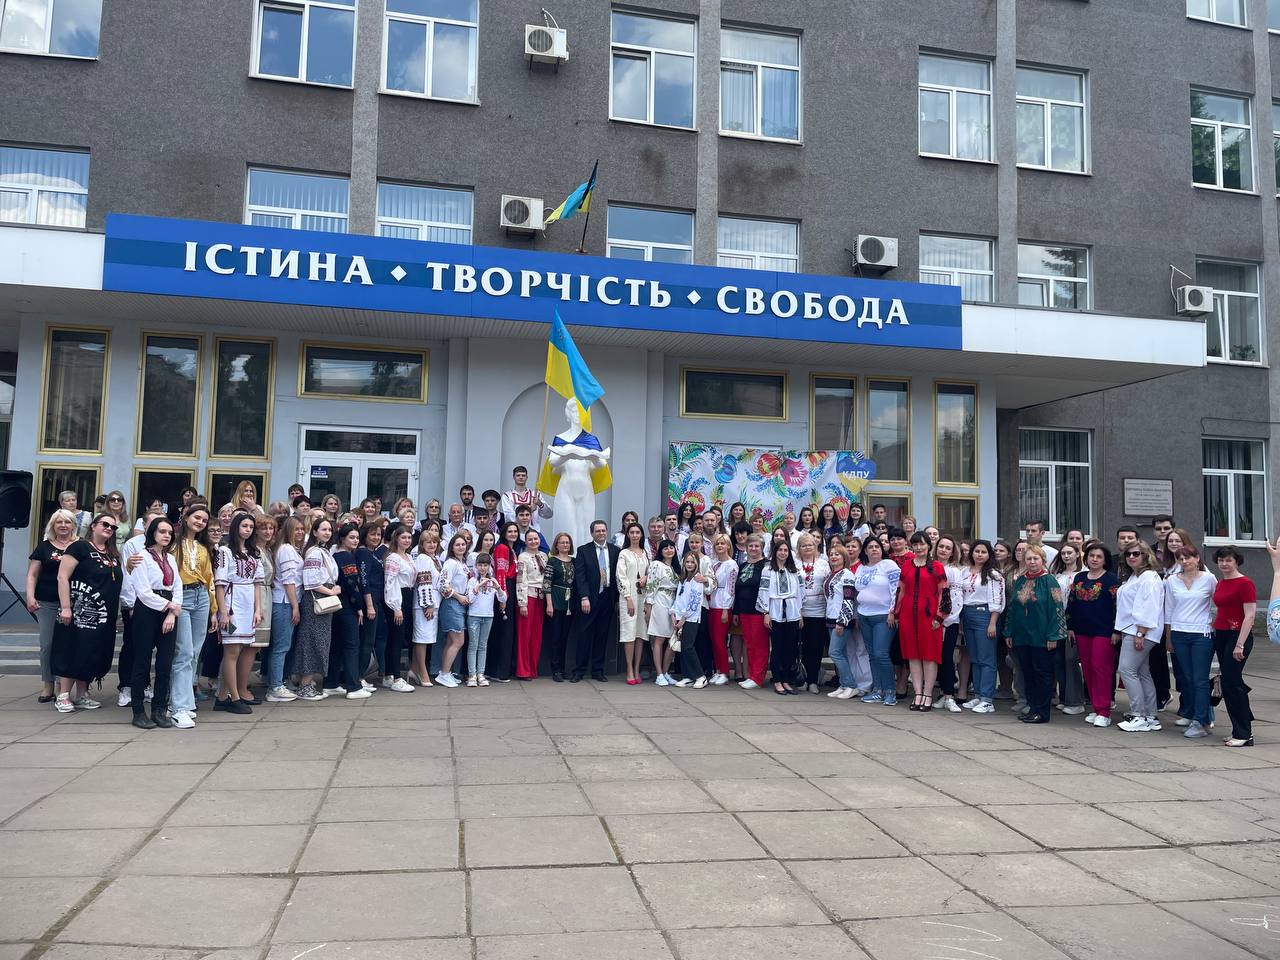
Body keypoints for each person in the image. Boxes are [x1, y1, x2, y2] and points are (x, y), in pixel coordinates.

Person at [50, 514, 122, 713]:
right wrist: (66, 607)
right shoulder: (79, 547)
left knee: (91, 652)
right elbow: (62, 576)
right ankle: (63, 695)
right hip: (79, 611)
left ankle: (82, 694)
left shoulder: (112, 553)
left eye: (113, 527)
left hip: (103, 615)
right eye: (105, 524)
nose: (109, 528)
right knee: (72, 649)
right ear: (93, 526)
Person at [125, 517, 183, 729]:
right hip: (147, 610)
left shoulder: (171, 558)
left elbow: (177, 587)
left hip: (168, 611)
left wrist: (172, 613)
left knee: (165, 663)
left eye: (169, 532)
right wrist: (169, 605)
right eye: (162, 531)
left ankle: (159, 709)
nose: (166, 535)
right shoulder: (141, 557)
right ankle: (138, 711)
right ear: (153, 533)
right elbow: (143, 592)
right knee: (142, 661)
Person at [1003, 545, 1066, 724]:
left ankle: (1042, 711)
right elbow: (1013, 608)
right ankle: (1032, 707)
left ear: (1043, 560)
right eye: (1029, 559)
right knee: (1027, 673)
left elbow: (1057, 608)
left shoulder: (1050, 581)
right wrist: (1009, 631)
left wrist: (1053, 635)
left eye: (1035, 558)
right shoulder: (1020, 581)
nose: (1032, 562)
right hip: (1022, 635)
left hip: (1042, 636)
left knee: (1042, 674)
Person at [1164, 544, 1216, 739]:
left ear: (1197, 558)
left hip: (1202, 633)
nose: (1185, 561)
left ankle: (1200, 720)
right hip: (1179, 633)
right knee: (1187, 678)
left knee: (1200, 679)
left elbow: (1219, 603)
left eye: (1188, 557)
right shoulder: (1172, 581)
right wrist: (1169, 637)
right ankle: (1199, 716)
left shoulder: (1209, 579)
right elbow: (1168, 610)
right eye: (1181, 558)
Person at [214, 512, 264, 714]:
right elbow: (219, 583)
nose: (248, 530)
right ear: (236, 527)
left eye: (251, 527)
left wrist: (258, 609)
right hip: (232, 602)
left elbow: (257, 583)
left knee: (241, 648)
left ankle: (221, 697)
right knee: (232, 651)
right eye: (244, 526)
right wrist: (223, 611)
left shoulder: (253, 552)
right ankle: (234, 698)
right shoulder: (225, 551)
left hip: (247, 603)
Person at [27, 509, 78, 704]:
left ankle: (61, 686)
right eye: (59, 522)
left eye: (67, 522)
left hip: (73, 603)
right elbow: (32, 574)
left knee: (66, 645)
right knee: (47, 644)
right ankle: (48, 684)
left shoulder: (80, 546)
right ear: (53, 525)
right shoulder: (44, 547)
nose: (63, 525)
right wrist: (30, 596)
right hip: (46, 602)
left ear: (73, 525)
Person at [895, 532, 949, 711]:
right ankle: (917, 693)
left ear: (928, 546)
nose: (918, 547)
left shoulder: (937, 567)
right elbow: (901, 590)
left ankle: (927, 693)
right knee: (913, 654)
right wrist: (896, 613)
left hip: (929, 614)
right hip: (908, 614)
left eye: (922, 544)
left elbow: (944, 592)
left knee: (929, 655)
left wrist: (940, 616)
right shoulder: (907, 565)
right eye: (915, 544)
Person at [1114, 542, 1165, 733]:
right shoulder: (1135, 576)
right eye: (1128, 554)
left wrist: (1140, 633)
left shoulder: (1149, 577)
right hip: (1132, 629)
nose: (1132, 557)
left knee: (1126, 670)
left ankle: (1138, 715)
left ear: (1146, 555)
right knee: (1142, 673)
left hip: (1140, 630)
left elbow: (1149, 606)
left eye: (1136, 553)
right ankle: (1150, 716)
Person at [1067, 541, 1120, 727]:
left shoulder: (1111, 579)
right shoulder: (1079, 577)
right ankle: (1096, 708)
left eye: (1099, 557)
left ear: (1105, 560)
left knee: (1100, 668)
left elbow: (1117, 607)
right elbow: (1071, 603)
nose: (1095, 559)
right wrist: (1070, 626)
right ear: (1086, 558)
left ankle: (1104, 711)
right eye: (1091, 556)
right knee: (1088, 669)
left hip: (1104, 631)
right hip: (1082, 630)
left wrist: (1116, 630)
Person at [1213, 546, 1257, 747]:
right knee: (1231, 682)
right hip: (1221, 634)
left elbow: (1250, 615)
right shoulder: (1221, 582)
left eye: (1228, 560)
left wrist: (1239, 644)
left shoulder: (1245, 583)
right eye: (1221, 560)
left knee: (1231, 683)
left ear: (1236, 561)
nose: (1224, 564)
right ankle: (1242, 726)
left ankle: (1244, 733)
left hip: (1238, 635)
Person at [958, 540, 1005, 714]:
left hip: (984, 614)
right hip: (967, 614)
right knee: (975, 658)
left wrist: (992, 623)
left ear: (989, 555)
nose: (979, 555)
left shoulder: (993, 574)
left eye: (983, 552)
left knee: (986, 658)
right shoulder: (964, 572)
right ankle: (978, 694)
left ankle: (987, 699)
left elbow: (997, 600)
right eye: (977, 551)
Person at [296, 518, 340, 701]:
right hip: (317, 599)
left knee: (319, 641)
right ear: (314, 532)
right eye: (323, 529)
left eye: (329, 530)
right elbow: (311, 581)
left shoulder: (324, 551)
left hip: (324, 598)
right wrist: (331, 591)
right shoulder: (314, 553)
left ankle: (308, 682)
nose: (327, 533)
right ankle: (305, 685)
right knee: (312, 640)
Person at [854, 536, 901, 705]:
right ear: (865, 551)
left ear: (882, 550)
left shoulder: (889, 565)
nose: (874, 549)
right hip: (864, 615)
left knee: (881, 654)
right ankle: (877, 690)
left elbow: (897, 590)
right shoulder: (861, 568)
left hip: (884, 616)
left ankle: (890, 691)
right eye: (870, 547)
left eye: (877, 546)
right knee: (872, 655)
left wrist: (893, 612)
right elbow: (858, 592)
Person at [571, 520, 619, 683]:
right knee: (584, 635)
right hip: (590, 599)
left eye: (603, 530)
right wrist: (584, 597)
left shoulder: (615, 550)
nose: (601, 533)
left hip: (607, 598)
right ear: (592, 533)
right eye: (597, 531)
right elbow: (580, 576)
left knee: (602, 636)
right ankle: (579, 671)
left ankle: (598, 671)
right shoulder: (583, 550)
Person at [266, 516, 304, 702]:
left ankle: (278, 681)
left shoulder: (290, 549)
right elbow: (289, 580)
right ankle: (275, 687)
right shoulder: (287, 550)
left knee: (282, 646)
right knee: (281, 646)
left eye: (302, 529)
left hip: (286, 601)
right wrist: (295, 606)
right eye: (296, 529)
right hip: (284, 602)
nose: (300, 532)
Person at [759, 538, 801, 695]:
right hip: (775, 610)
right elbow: (763, 591)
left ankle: (786, 680)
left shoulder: (794, 570)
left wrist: (800, 613)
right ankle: (777, 680)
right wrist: (766, 612)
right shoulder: (768, 570)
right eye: (780, 550)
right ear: (775, 552)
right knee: (777, 647)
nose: (783, 553)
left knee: (790, 648)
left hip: (792, 611)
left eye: (785, 550)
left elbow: (800, 592)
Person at [824, 541, 864, 699]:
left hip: (842, 619)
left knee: (834, 652)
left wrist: (842, 621)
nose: (833, 557)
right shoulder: (832, 574)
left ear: (844, 557)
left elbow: (849, 599)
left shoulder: (847, 574)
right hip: (830, 617)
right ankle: (843, 684)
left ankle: (851, 685)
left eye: (837, 554)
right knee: (841, 653)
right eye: (831, 554)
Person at [1049, 543, 1086, 716]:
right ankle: (1064, 698)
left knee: (1071, 659)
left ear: (1077, 554)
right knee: (1058, 660)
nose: (1066, 556)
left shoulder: (1083, 574)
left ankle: (1076, 700)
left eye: (1069, 552)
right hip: (1057, 621)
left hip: (1075, 622)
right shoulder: (1057, 575)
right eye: (1063, 553)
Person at [380, 524, 416, 692]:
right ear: (396, 539)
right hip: (397, 598)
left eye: (409, 537)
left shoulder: (407, 556)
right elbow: (390, 582)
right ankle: (396, 677)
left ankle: (388, 675)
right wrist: (396, 607)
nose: (407, 540)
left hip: (407, 596)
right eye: (403, 537)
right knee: (396, 638)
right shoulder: (393, 557)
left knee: (397, 637)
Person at [434, 533, 473, 687]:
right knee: (458, 641)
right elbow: (442, 585)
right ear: (452, 547)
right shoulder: (450, 563)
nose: (461, 547)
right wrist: (458, 596)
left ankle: (446, 672)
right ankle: (444, 674)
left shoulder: (462, 563)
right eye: (457, 544)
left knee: (451, 641)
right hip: (452, 604)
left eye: (463, 544)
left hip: (460, 604)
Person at [933, 536, 965, 712]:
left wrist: (946, 619)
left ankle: (949, 695)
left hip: (948, 621)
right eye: (941, 546)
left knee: (946, 657)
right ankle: (941, 694)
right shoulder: (930, 566)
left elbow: (956, 598)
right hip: (930, 620)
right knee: (935, 658)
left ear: (952, 552)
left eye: (948, 548)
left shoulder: (953, 571)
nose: (944, 550)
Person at [615, 522, 650, 684]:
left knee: (640, 634)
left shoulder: (646, 553)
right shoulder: (624, 553)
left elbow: (652, 572)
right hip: (628, 598)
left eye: (637, 532)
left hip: (643, 598)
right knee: (629, 634)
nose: (635, 535)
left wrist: (646, 578)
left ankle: (637, 669)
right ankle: (629, 669)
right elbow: (620, 577)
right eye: (632, 532)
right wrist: (628, 598)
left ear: (641, 535)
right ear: (628, 535)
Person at [795, 533, 830, 693]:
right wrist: (799, 611)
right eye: (804, 545)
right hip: (800, 611)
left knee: (815, 647)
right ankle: (801, 678)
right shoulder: (795, 564)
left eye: (810, 545)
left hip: (819, 611)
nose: (807, 548)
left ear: (815, 546)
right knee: (800, 647)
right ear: (799, 548)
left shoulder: (823, 564)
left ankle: (813, 680)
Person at [464, 552, 505, 686]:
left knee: (483, 645)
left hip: (488, 616)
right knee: (473, 645)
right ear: (476, 566)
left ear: (489, 566)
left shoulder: (493, 580)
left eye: (485, 565)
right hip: (474, 616)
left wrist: (498, 588)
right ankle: (472, 675)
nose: (483, 568)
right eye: (480, 565)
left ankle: (481, 674)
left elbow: (503, 598)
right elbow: (470, 599)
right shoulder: (472, 580)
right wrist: (478, 586)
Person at [487, 522, 521, 682]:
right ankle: (498, 672)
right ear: (504, 533)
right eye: (510, 531)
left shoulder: (511, 549)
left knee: (507, 631)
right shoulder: (502, 548)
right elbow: (500, 573)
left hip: (511, 587)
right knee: (503, 632)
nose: (513, 534)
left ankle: (501, 670)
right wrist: (503, 596)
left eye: (515, 531)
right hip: (505, 588)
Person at [670, 551, 709, 688]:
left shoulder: (697, 579)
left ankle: (700, 676)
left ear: (697, 564)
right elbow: (678, 599)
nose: (690, 564)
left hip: (691, 619)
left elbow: (694, 601)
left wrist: (683, 618)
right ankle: (688, 676)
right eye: (687, 562)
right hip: (680, 618)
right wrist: (673, 613)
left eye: (693, 562)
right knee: (683, 648)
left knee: (688, 647)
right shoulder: (683, 579)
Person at [542, 532, 576, 682]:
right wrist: (549, 604)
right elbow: (547, 583)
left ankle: (564, 668)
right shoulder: (552, 561)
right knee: (555, 637)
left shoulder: (574, 561)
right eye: (562, 542)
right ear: (556, 545)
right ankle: (555, 670)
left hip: (569, 603)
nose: (565, 545)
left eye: (567, 542)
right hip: (556, 601)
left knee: (565, 638)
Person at [644, 539, 679, 685]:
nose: (669, 550)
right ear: (661, 551)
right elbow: (651, 586)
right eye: (666, 548)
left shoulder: (676, 567)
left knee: (672, 640)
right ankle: (659, 674)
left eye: (671, 547)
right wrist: (648, 606)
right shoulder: (656, 565)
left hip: (673, 603)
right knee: (659, 638)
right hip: (660, 601)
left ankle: (665, 672)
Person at [356, 522, 387, 682]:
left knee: (372, 639)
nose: (376, 537)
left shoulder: (372, 553)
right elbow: (364, 580)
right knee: (367, 641)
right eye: (372, 534)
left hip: (376, 601)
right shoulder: (363, 553)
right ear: (365, 535)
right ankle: (359, 677)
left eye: (379, 535)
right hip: (369, 602)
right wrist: (369, 606)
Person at [410, 530, 442, 686]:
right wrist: (428, 605)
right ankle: (423, 672)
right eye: (428, 542)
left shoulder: (435, 559)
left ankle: (413, 669)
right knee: (422, 639)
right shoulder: (423, 558)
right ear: (422, 544)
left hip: (434, 602)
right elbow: (424, 582)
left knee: (427, 638)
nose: (432, 544)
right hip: (425, 604)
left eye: (434, 541)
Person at [515, 529, 548, 679]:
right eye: (530, 539)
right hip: (528, 596)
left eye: (536, 539)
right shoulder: (523, 557)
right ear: (526, 542)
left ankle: (533, 668)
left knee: (536, 635)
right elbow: (521, 580)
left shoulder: (543, 556)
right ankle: (523, 670)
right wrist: (522, 603)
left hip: (541, 597)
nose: (533, 541)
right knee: (524, 635)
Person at [707, 534, 738, 685]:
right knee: (713, 639)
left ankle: (725, 672)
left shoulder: (731, 565)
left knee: (720, 640)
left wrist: (726, 608)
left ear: (728, 546)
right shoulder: (713, 563)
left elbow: (730, 589)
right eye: (717, 544)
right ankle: (718, 670)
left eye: (722, 543)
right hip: (711, 604)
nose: (720, 546)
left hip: (722, 606)